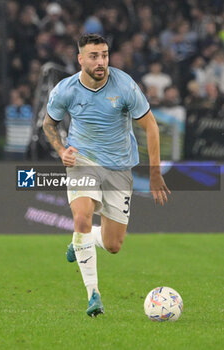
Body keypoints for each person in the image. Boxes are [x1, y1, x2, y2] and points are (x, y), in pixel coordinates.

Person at [43, 34, 170, 317]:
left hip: (119, 166)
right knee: (81, 217)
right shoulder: (66, 89)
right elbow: (49, 124)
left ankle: (80, 241)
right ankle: (94, 295)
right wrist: (61, 150)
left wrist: (154, 172)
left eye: (104, 55)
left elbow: (151, 127)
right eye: (94, 56)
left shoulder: (125, 85)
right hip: (83, 160)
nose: (101, 61)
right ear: (80, 59)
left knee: (113, 244)